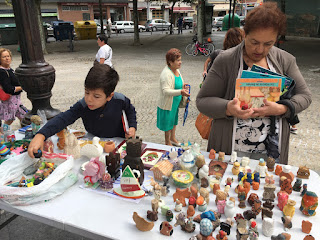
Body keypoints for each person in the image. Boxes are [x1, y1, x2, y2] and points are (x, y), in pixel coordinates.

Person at [196, 2, 312, 164]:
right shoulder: (226, 60)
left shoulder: (285, 60)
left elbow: (305, 96)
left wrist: (282, 108)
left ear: (276, 39)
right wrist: (229, 108)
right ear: (245, 34)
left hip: (271, 151)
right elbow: (202, 101)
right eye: (254, 42)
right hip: (230, 148)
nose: (260, 50)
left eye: (268, 44)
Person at [28, 64, 137, 158]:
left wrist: (132, 126)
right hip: (93, 141)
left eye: (96, 96)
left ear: (109, 96)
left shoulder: (120, 100)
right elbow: (63, 118)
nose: (89, 99)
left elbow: (130, 110)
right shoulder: (83, 105)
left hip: (118, 142)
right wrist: (41, 135)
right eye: (87, 92)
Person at [157, 48, 190, 146]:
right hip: (167, 103)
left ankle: (173, 138)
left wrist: (183, 85)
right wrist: (180, 91)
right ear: (170, 62)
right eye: (178, 60)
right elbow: (165, 91)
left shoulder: (177, 70)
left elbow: (179, 81)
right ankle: (167, 142)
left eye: (180, 59)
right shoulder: (166, 74)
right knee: (168, 123)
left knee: (174, 120)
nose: (180, 62)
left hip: (175, 102)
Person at [0, 48, 26, 125]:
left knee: (23, 116)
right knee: (9, 119)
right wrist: (23, 87)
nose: (7, 58)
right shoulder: (2, 72)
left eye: (8, 56)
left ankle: (26, 131)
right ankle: (3, 134)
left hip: (16, 100)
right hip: (10, 101)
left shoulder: (9, 69)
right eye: (4, 57)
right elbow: (8, 89)